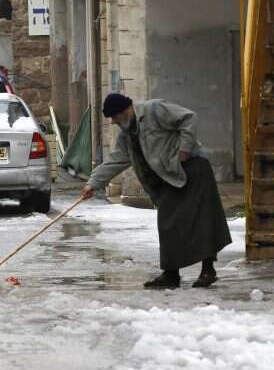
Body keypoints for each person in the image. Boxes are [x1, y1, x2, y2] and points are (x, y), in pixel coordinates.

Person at [82, 93, 232, 289]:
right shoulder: (126, 135)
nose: (113, 121)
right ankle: (171, 275)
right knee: (168, 223)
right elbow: (116, 160)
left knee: (202, 220)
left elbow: (189, 117)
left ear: (125, 110)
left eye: (114, 117)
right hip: (169, 176)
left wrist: (185, 148)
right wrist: (93, 183)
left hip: (192, 167)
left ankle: (207, 271)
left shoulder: (154, 110)